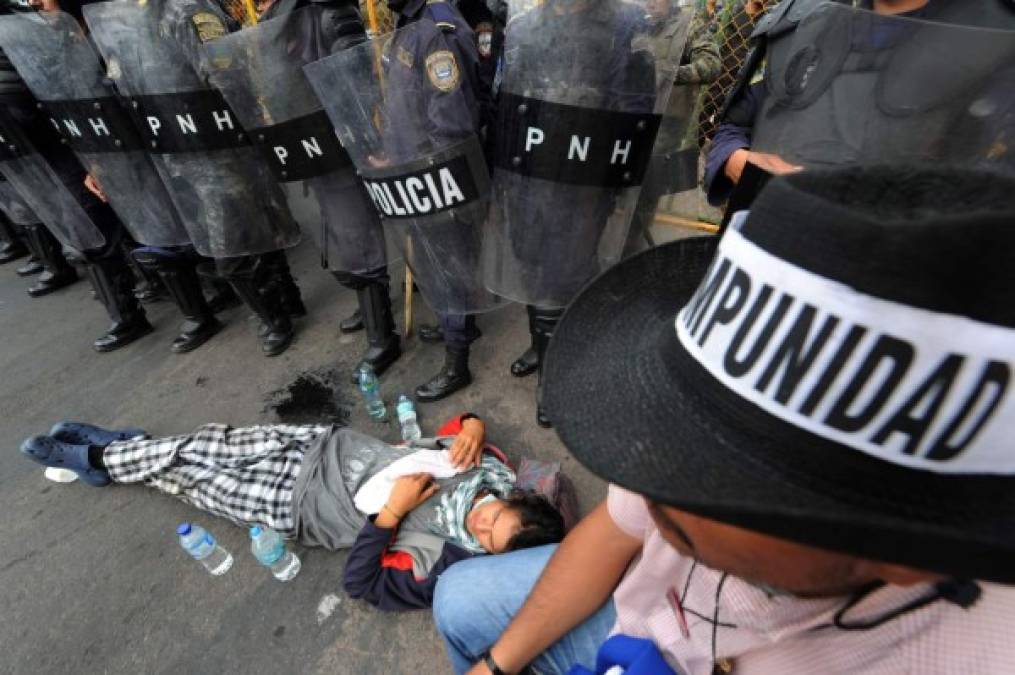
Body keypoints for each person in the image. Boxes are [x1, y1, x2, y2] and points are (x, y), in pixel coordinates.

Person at [431, 164, 1015, 674]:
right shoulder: (673, 483)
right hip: (643, 633)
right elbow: (615, 530)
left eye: (725, 475)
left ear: (905, 555)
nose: (642, 462)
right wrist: (496, 666)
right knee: (458, 599)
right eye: (676, 417)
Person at [18, 413, 566, 610]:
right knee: (207, 444)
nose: (480, 523)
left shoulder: (447, 566)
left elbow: (364, 585)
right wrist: (471, 424)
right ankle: (107, 453)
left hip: (298, 507)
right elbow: (456, 424)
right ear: (512, 498)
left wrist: (391, 515)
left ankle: (101, 453)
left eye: (487, 538)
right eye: (496, 516)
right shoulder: (485, 471)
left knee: (189, 479)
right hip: (319, 445)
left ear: (487, 559)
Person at [703, 0, 1015, 209]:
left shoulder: (999, 47)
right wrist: (739, 163)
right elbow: (734, 126)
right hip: (766, 262)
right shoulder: (802, 21)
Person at [625, 0, 720, 258]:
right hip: (628, 117)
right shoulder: (634, 25)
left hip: (665, 123)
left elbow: (711, 64)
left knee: (645, 187)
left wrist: (670, 75)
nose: (652, 3)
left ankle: (632, 245)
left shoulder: (689, 24)